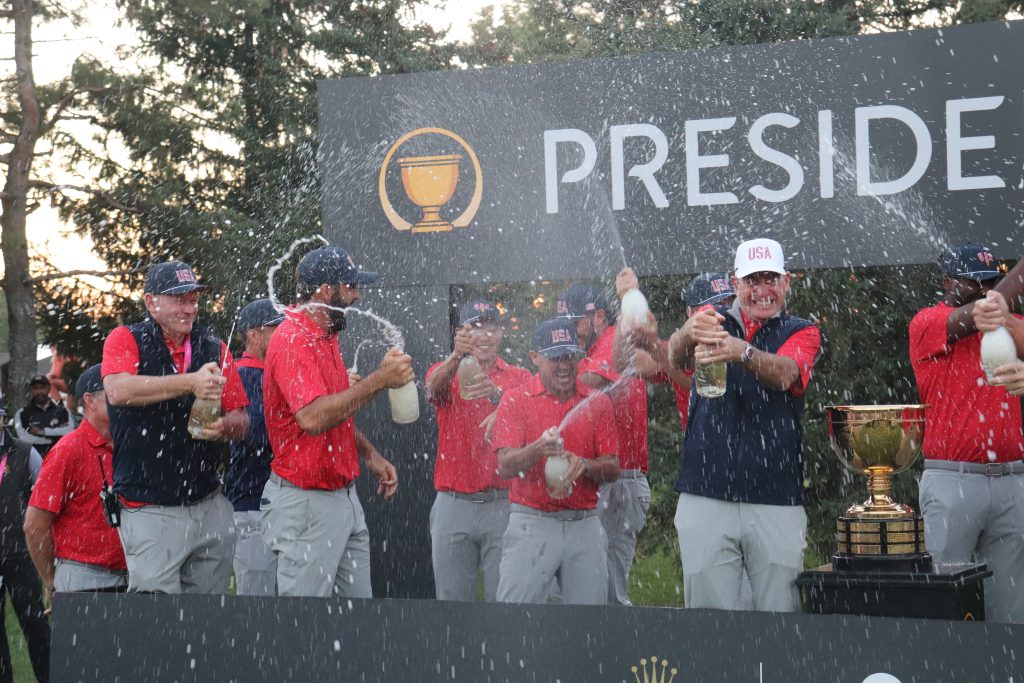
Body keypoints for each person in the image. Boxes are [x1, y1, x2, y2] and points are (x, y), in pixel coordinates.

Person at [666, 237, 821, 612]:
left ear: (787, 282)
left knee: (780, 619)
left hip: (775, 497)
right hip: (705, 492)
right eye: (752, 281)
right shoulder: (712, 321)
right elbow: (675, 356)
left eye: (771, 280)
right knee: (710, 625)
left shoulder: (802, 329)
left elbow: (786, 375)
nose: (762, 291)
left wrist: (743, 352)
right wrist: (688, 331)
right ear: (735, 284)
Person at [261, 246, 412, 598]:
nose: (357, 295)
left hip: (342, 498)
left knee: (356, 624)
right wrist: (381, 379)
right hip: (306, 505)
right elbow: (313, 418)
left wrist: (368, 453)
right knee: (304, 629)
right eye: (350, 287)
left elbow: (334, 412)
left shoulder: (327, 335)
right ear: (325, 291)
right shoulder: (293, 339)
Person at [101, 260, 250, 594]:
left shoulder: (214, 346)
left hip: (209, 502)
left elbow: (243, 420)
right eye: (179, 299)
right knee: (157, 621)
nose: (190, 308)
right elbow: (118, 390)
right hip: (150, 507)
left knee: (206, 618)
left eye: (194, 299)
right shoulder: (125, 338)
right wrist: (190, 383)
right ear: (151, 302)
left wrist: (226, 426)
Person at [909, 243, 1024, 624]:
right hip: (952, 481)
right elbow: (987, 309)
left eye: (990, 281)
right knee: (944, 602)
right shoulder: (928, 321)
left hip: (1013, 480)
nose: (983, 290)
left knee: (1011, 609)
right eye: (973, 282)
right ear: (947, 283)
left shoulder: (1011, 324)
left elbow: (996, 311)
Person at [492, 318, 620, 605]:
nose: (564, 365)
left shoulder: (597, 402)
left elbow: (612, 468)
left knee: (589, 623)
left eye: (570, 356)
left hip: (584, 523)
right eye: (554, 357)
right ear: (535, 358)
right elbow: (505, 466)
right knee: (515, 617)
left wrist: (586, 465)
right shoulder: (515, 400)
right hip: (531, 521)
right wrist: (538, 448)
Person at [425, 300, 531, 602]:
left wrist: (499, 398)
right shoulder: (445, 369)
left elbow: (532, 420)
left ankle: (504, 651)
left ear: (501, 333)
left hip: (504, 504)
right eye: (475, 328)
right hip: (453, 504)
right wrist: (457, 356)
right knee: (452, 603)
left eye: (491, 327)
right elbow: (431, 389)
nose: (484, 336)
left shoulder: (519, 377)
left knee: (507, 602)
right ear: (461, 333)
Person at [557, 283, 648, 605]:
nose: (569, 331)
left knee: (607, 585)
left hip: (621, 479)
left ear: (598, 317)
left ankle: (612, 648)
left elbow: (583, 385)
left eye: (574, 322)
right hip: (593, 475)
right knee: (576, 579)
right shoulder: (585, 351)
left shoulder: (614, 341)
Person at [24, 364, 128, 596]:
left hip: (133, 577)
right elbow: (34, 525)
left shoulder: (129, 445)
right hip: (83, 581)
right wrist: (52, 581)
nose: (125, 400)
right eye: (115, 393)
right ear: (89, 400)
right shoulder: (68, 451)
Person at [224, 298, 285, 596]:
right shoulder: (242, 373)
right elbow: (260, 430)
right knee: (258, 601)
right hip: (252, 503)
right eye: (277, 329)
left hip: (279, 502)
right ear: (253, 336)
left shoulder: (276, 372)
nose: (284, 335)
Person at [0, 399, 49, 683]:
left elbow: (44, 498)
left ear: (3, 418)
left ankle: (49, 676)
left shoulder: (24, 452)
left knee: (35, 626)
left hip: (20, 552)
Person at [14, 375, 72, 457]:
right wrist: (51, 441)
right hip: (33, 458)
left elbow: (69, 431)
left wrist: (43, 432)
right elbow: (24, 437)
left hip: (60, 457)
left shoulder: (63, 411)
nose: (39, 391)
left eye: (42, 387)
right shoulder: (22, 413)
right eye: (36, 388)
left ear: (48, 389)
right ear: (31, 390)